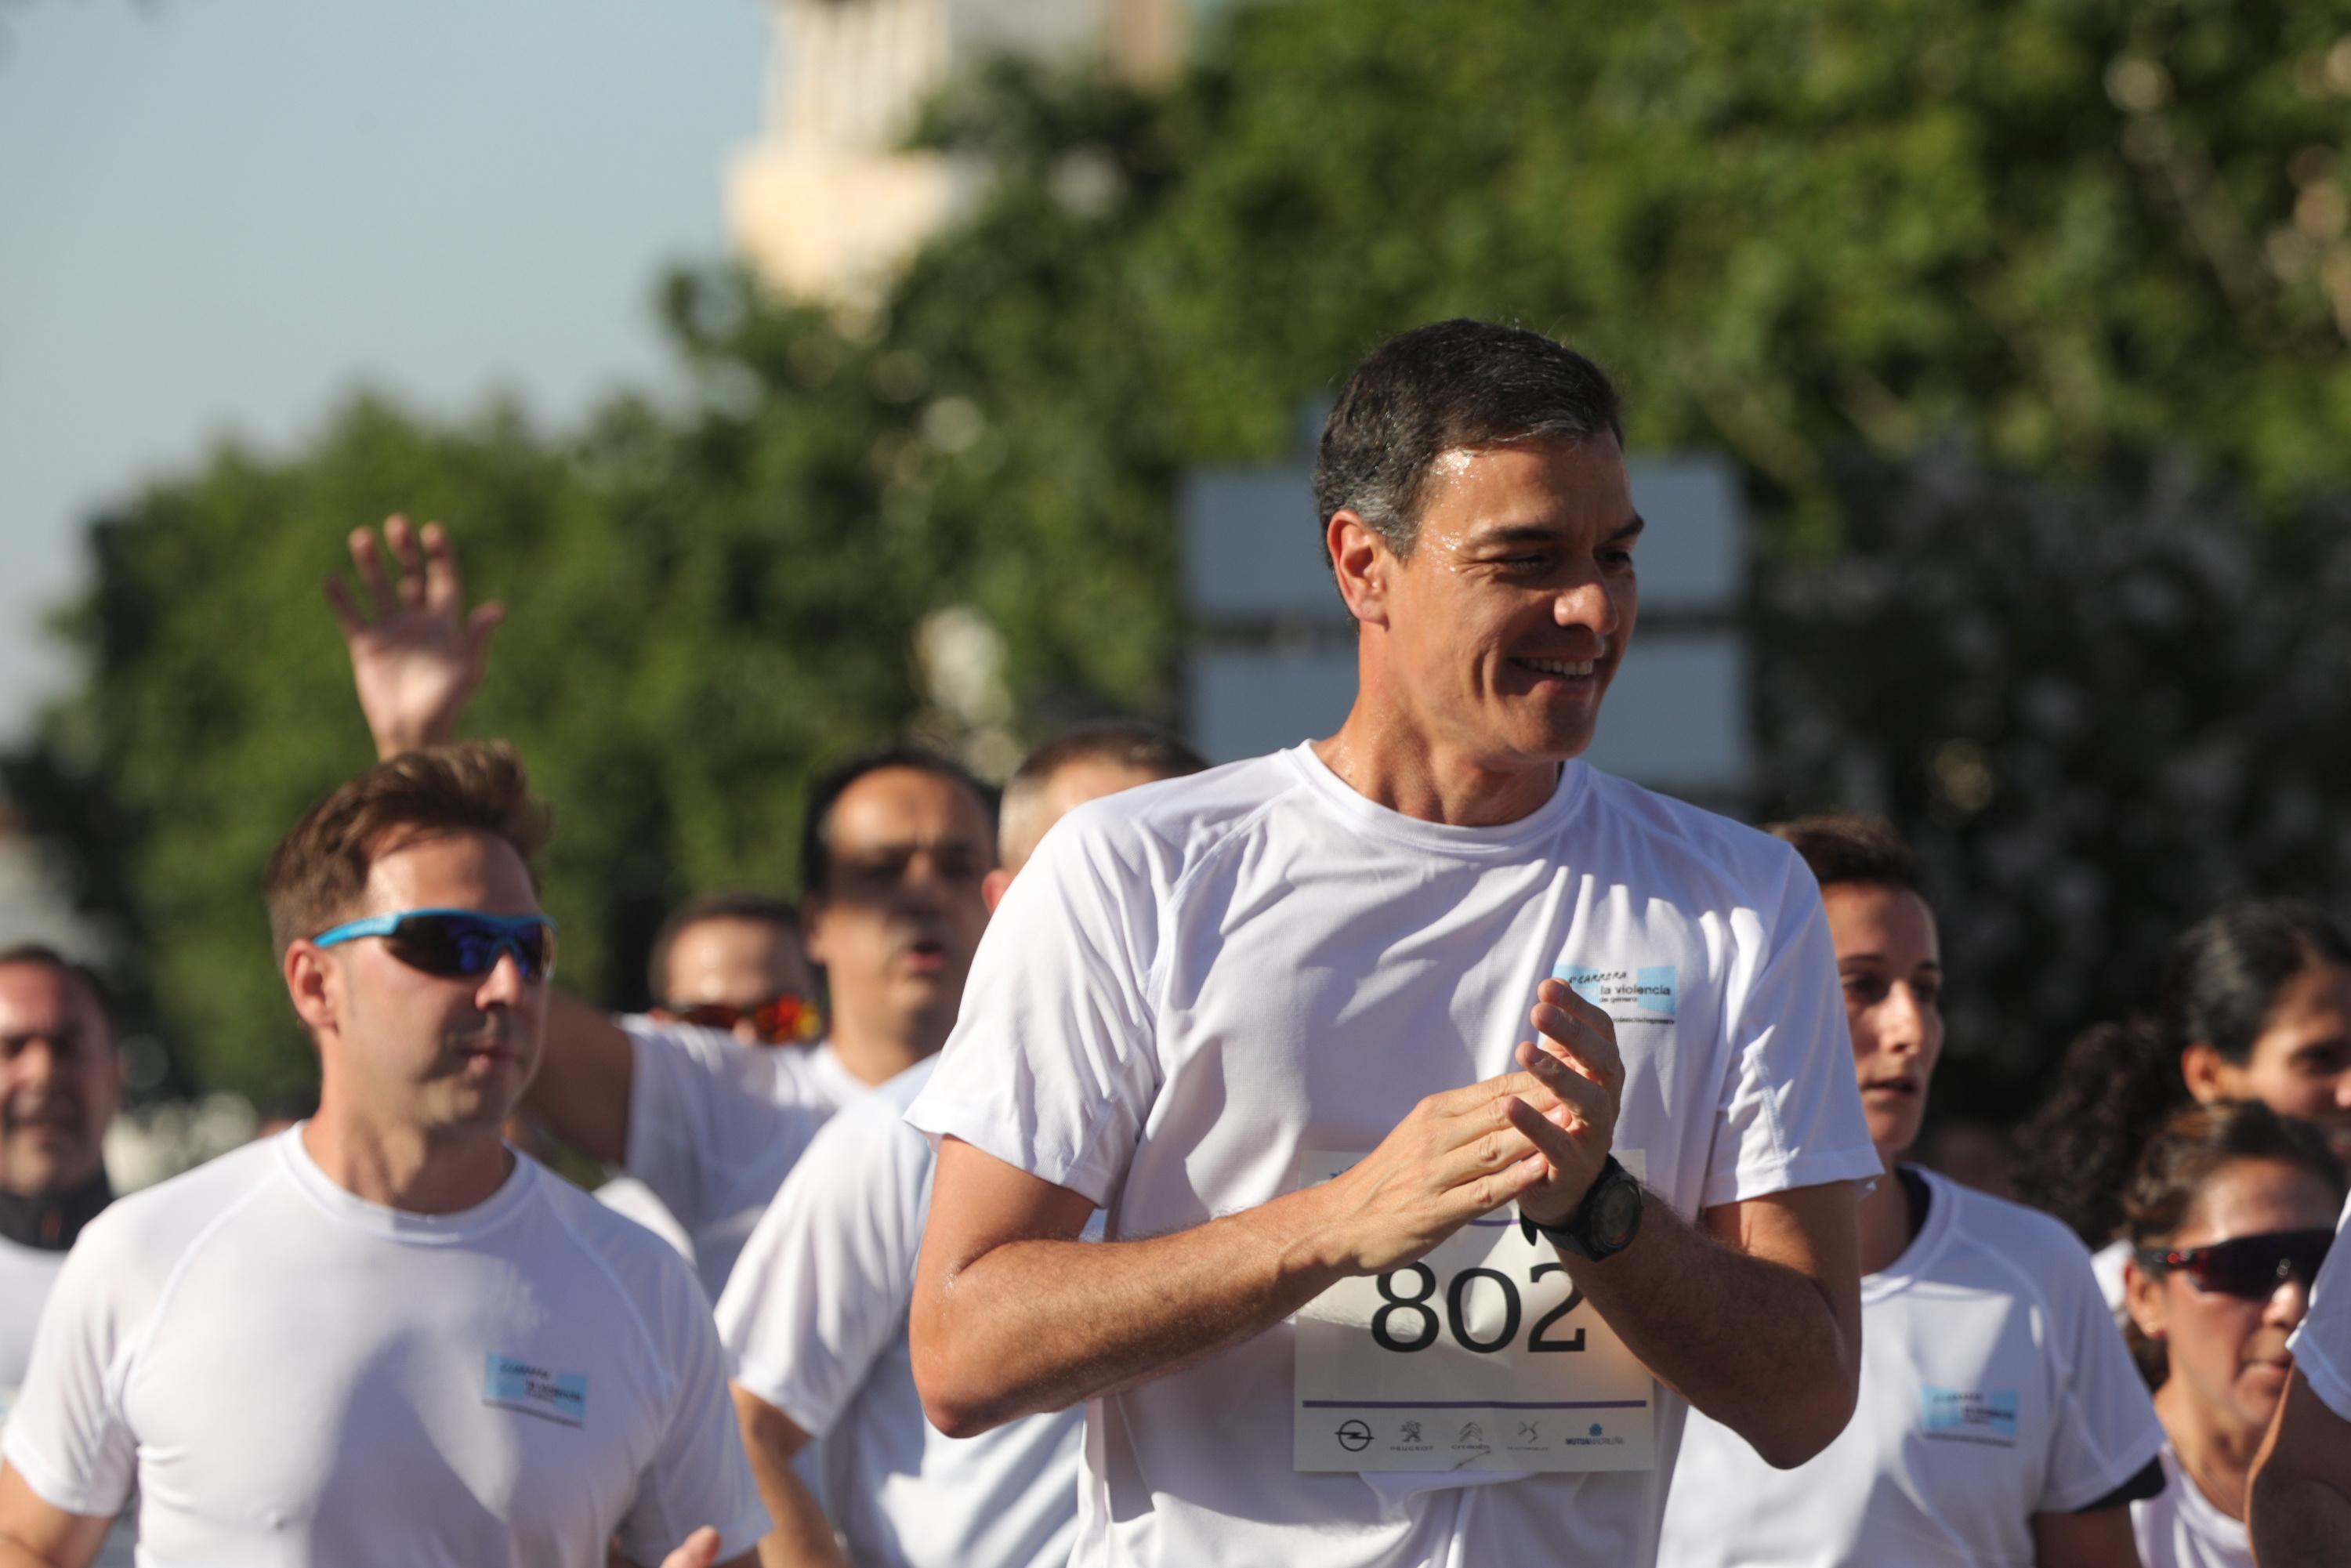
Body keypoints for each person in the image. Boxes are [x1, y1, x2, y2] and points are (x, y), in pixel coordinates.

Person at [905, 320, 1882, 1567]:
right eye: (1527, 559)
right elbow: (962, 1345)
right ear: (1364, 565)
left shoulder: (1741, 898)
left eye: (1616, 556)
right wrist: (1337, 1225)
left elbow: (1805, 1397)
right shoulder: (1138, 872)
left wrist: (1600, 1213)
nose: (1588, 609)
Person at [0, 744, 766, 1568]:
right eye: (453, 944)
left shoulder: (643, 1286)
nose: (508, 986)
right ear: (314, 983)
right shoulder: (144, 1254)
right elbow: (26, 1543)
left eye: (529, 948)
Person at [325, 518, 994, 1296]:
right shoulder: (735, 1107)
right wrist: (415, 745)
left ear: (1001, 895)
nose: (922, 894)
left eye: (956, 866)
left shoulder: (1062, 1104)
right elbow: (490, 1006)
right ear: (815, 919)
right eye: (880, 871)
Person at [717, 722, 1205, 1568]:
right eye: (1104, 875)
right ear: (1010, 902)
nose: (1151, 908)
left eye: (1181, 867)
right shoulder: (901, 1138)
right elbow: (742, 1426)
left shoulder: (1277, 1127)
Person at [1659, 816, 2161, 1567]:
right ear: (1754, 1001)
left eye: (1925, 990)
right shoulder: (1632, 1267)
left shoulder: (2040, 1268)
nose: (1911, 1029)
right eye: (1862, 985)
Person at [2016, 900, 2351, 1312]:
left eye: (2314, 1259)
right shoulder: (2090, 1312)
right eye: (2319, 1059)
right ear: (2208, 1074)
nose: (2285, 1305)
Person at [2117, 1102, 2344, 1567]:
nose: (2292, 1304)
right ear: (2145, 1296)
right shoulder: (2096, 1498)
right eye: (2243, 1265)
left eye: (2324, 1264)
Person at [0, 951, 120, 1428]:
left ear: (117, 1077)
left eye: (68, 1047)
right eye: (11, 1048)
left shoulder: (184, 1273)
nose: (43, 1073)